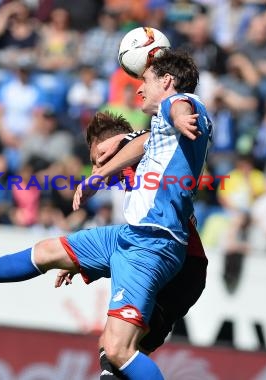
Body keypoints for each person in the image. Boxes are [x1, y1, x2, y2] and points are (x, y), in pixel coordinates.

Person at [0, 49, 211, 379]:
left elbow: (174, 108)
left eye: (100, 155)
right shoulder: (154, 137)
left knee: (118, 349)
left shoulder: (177, 112)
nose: (139, 89)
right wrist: (98, 180)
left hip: (169, 254)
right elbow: (145, 140)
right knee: (49, 254)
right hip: (135, 238)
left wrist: (175, 113)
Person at [54, 109, 208, 379]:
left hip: (180, 264)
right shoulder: (133, 181)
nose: (95, 168)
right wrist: (80, 259)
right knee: (116, 352)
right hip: (181, 268)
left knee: (116, 347)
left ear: (113, 147)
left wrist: (117, 150)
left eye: (98, 159)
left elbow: (148, 139)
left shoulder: (143, 156)